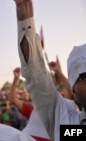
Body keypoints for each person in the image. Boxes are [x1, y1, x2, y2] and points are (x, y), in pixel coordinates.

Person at [13, 0, 86, 140]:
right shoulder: (67, 124)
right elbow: (36, 74)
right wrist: (24, 9)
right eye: (84, 77)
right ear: (74, 94)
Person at [9, 67, 50, 141]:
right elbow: (13, 99)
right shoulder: (34, 112)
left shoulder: (61, 115)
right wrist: (16, 79)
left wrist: (59, 73)